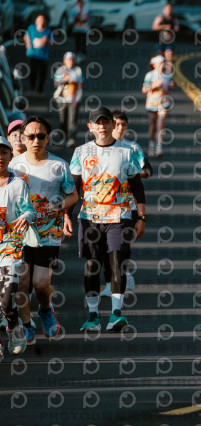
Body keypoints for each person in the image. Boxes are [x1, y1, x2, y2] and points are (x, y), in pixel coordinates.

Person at [69, 107, 146, 333]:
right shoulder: (81, 152)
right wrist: (65, 215)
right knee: (92, 265)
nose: (102, 126)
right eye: (97, 122)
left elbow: (137, 187)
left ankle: (116, 314)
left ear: (113, 125)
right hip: (90, 217)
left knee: (116, 262)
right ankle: (93, 316)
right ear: (90, 127)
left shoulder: (127, 151)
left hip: (119, 216)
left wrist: (141, 217)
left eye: (106, 122)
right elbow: (74, 188)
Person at [10, 117, 78, 345]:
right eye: (31, 136)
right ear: (23, 138)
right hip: (19, 233)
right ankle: (26, 324)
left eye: (41, 136)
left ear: (48, 137)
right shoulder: (14, 165)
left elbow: (73, 195)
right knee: (21, 283)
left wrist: (61, 205)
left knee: (40, 283)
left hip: (48, 234)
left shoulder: (59, 166)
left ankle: (46, 309)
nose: (36, 140)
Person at [99, 110, 152, 298]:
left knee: (122, 245)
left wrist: (130, 172)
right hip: (104, 205)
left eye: (123, 124)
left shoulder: (132, 148)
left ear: (127, 126)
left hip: (128, 205)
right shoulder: (100, 147)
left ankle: (123, 273)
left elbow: (147, 171)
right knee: (105, 247)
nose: (119, 128)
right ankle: (109, 283)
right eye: (116, 124)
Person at [0, 136, 36, 360]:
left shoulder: (18, 184)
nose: (0, 157)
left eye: (4, 152)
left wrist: (26, 217)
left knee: (5, 297)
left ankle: (14, 325)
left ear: (10, 156)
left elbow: (29, 210)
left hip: (10, 245)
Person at [142, 55, 174, 158]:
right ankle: (151, 145)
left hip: (163, 103)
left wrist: (171, 85)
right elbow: (144, 89)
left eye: (163, 63)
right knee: (153, 126)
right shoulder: (150, 75)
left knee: (161, 124)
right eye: (160, 63)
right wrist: (154, 85)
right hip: (152, 103)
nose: (162, 65)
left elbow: (170, 87)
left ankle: (159, 147)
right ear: (154, 65)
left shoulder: (167, 75)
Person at [53, 52, 84, 148]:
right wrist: (65, 81)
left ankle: (71, 139)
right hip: (61, 99)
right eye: (69, 59)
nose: (71, 61)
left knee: (72, 120)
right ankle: (63, 137)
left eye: (72, 59)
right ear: (64, 61)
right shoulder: (60, 70)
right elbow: (55, 84)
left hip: (74, 99)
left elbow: (81, 84)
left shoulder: (78, 70)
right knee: (63, 119)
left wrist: (75, 84)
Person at [23, 14, 53, 96]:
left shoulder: (48, 31)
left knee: (42, 73)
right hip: (32, 54)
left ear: (45, 21)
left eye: (43, 19)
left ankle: (40, 91)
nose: (41, 21)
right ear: (36, 21)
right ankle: (32, 89)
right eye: (39, 19)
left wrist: (46, 40)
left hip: (43, 56)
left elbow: (52, 42)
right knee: (33, 72)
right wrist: (28, 43)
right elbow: (26, 36)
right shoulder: (31, 28)